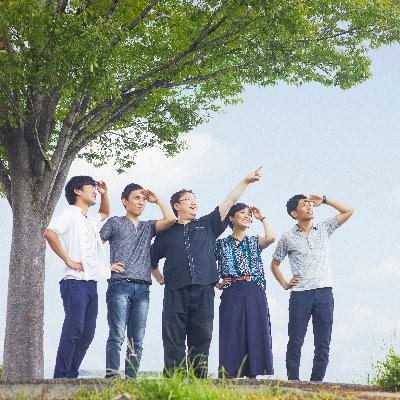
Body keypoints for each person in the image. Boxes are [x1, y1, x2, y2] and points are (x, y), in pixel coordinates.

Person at [150, 167, 262, 378]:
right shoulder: (165, 234)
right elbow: (152, 260)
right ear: (176, 206)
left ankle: (198, 381)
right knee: (173, 337)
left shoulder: (207, 225)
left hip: (204, 290)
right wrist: (159, 278)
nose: (194, 202)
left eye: (195, 199)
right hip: (175, 291)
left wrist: (246, 181)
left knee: (201, 336)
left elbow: (229, 201)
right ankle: (174, 380)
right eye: (188, 199)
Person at [270, 194, 354, 382]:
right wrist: (285, 283)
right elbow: (275, 264)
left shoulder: (323, 228)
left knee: (323, 342)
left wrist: (325, 200)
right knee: (295, 340)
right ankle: (293, 382)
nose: (309, 207)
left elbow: (349, 210)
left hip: (324, 291)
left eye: (310, 204)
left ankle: (316, 383)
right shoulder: (287, 237)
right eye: (304, 205)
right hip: (300, 294)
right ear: (294, 213)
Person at [100, 183, 176, 379]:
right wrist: (105, 266)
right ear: (124, 201)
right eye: (136, 198)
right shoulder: (115, 222)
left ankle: (131, 379)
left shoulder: (147, 227)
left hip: (143, 288)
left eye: (143, 199)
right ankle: (112, 378)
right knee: (117, 335)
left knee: (137, 339)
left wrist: (157, 200)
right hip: (119, 284)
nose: (141, 202)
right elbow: (95, 245)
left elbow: (171, 219)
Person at [44, 176, 111, 378]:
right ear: (77, 191)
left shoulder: (89, 218)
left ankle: (71, 375)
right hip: (73, 281)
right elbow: (50, 233)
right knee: (74, 329)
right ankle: (61, 376)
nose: (94, 191)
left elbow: (105, 213)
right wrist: (68, 259)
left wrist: (105, 194)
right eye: (91, 187)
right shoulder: (70, 213)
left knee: (87, 333)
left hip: (91, 282)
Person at [215, 203, 275, 378]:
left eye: (249, 214)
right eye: (242, 212)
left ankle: (253, 373)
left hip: (254, 288)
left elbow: (271, 237)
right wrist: (216, 283)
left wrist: (261, 217)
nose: (247, 216)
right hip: (232, 288)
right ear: (231, 218)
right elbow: (205, 263)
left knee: (255, 329)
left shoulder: (254, 241)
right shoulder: (220, 244)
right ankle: (229, 374)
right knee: (232, 329)